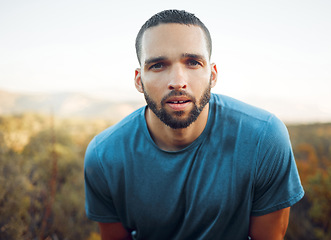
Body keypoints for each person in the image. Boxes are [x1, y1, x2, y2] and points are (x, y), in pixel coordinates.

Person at [84, 9, 304, 240]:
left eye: (193, 62)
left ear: (213, 75)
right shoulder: (104, 155)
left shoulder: (264, 137)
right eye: (158, 65)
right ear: (139, 81)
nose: (178, 82)